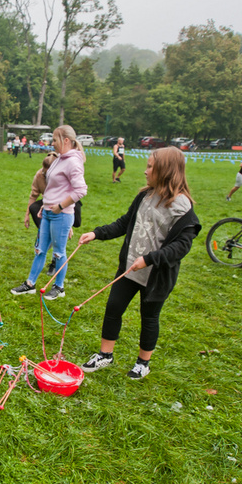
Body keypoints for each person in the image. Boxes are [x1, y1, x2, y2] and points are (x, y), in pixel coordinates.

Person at [78, 147, 200, 379]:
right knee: (113, 308)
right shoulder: (145, 196)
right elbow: (125, 223)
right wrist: (97, 234)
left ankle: (143, 362)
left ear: (166, 170)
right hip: (129, 269)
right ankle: (105, 355)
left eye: (150, 167)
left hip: (156, 277)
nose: (145, 171)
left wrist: (150, 259)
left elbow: (181, 247)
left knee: (149, 317)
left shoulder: (182, 208)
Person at [11, 124, 87, 301]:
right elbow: (52, 188)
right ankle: (30, 284)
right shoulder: (60, 158)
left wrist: (60, 206)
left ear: (66, 140)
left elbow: (81, 190)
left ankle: (59, 287)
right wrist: (44, 206)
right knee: (40, 250)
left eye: (54, 139)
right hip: (47, 212)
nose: (51, 143)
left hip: (61, 214)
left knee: (59, 252)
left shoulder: (73, 162)